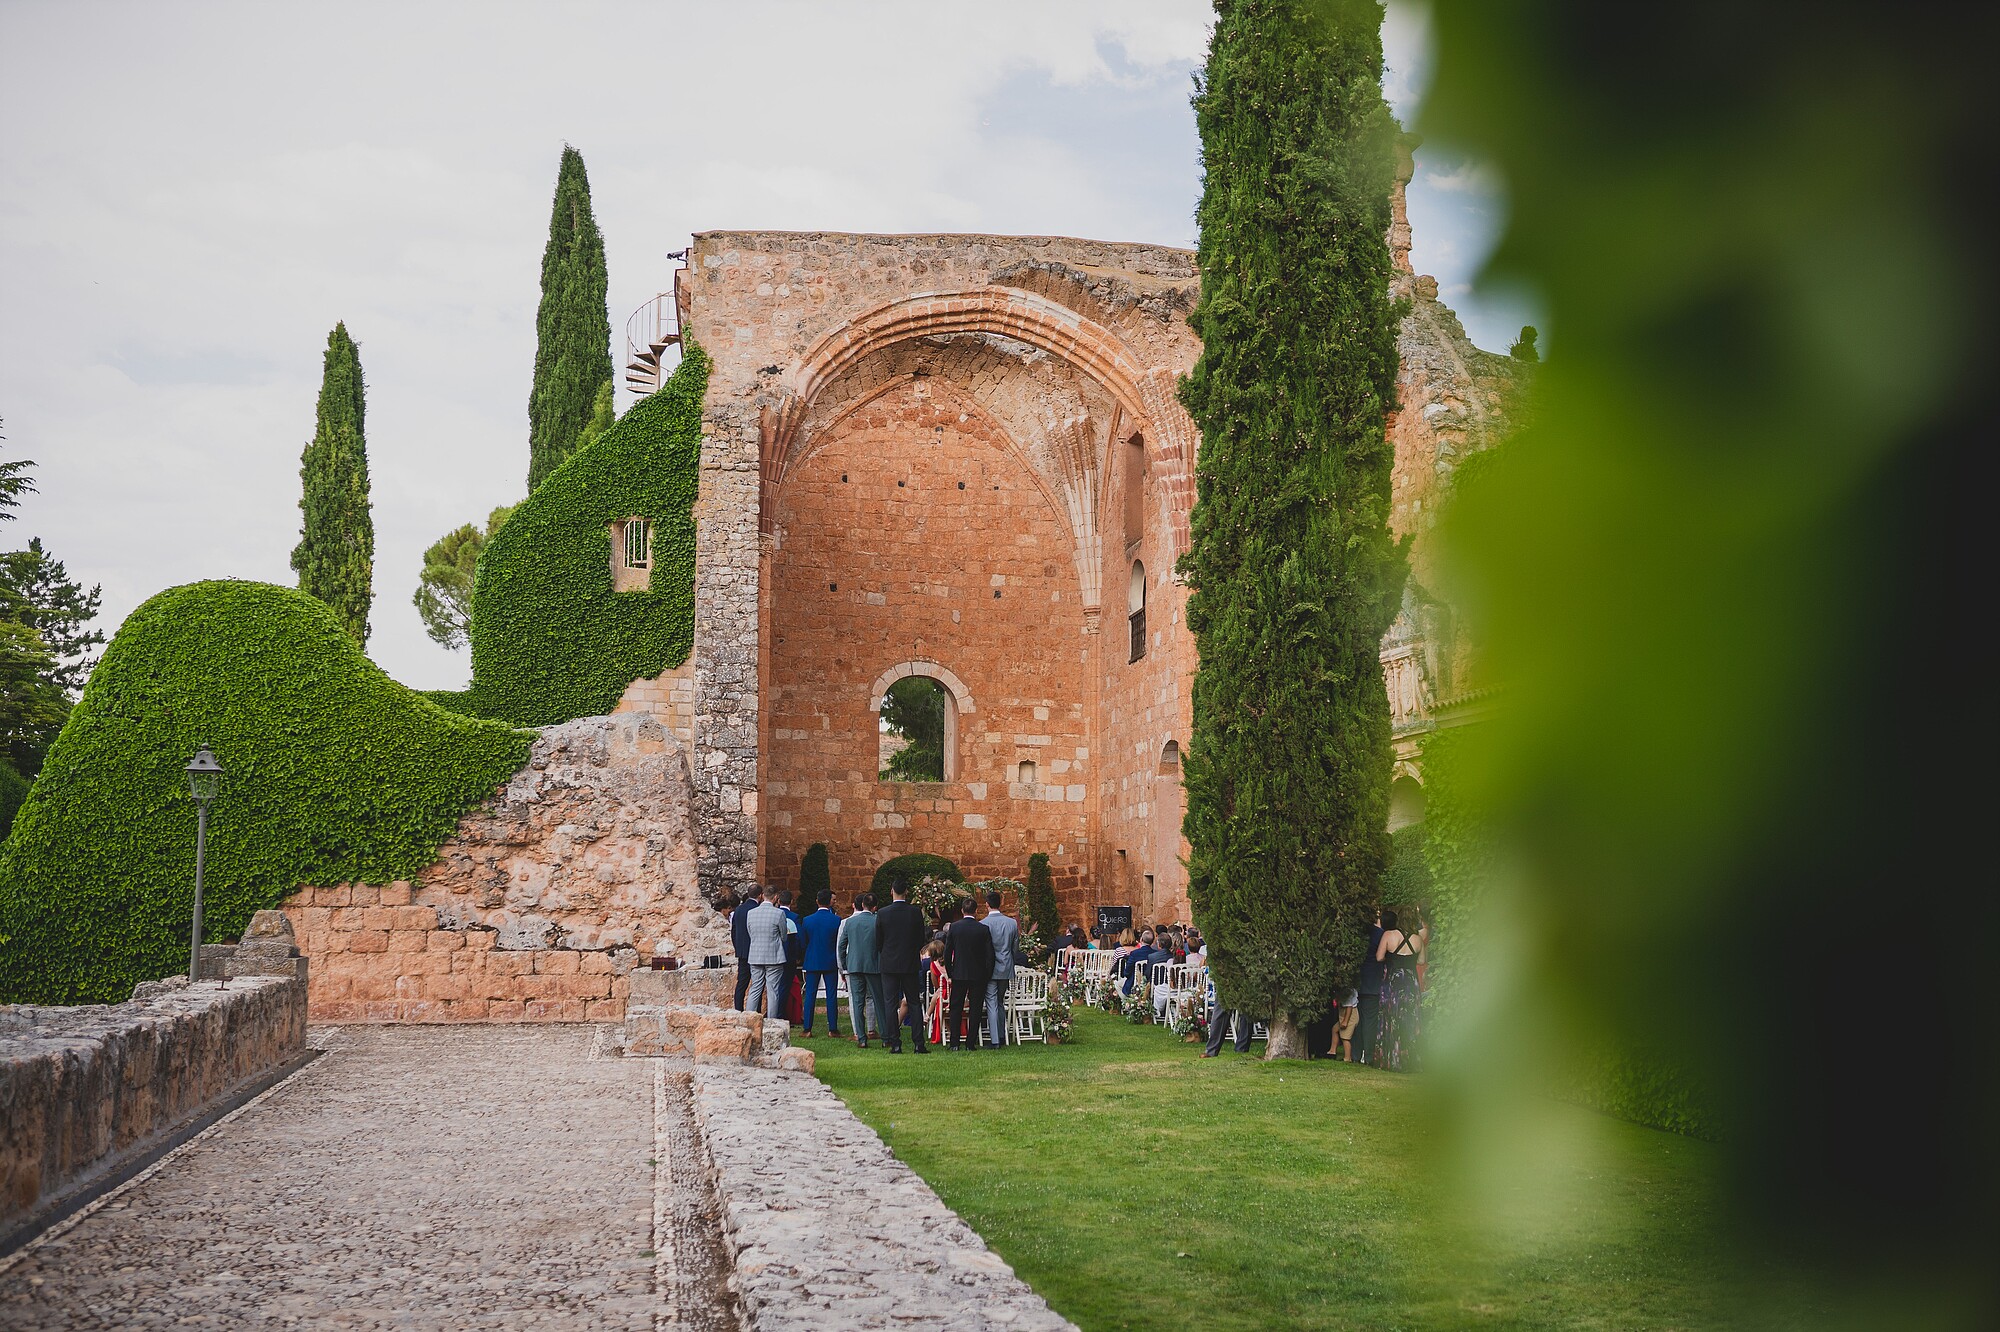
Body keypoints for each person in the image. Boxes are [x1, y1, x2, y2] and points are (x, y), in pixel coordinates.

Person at [873, 878, 930, 1054]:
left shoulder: (883, 913)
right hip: (909, 962)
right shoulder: (914, 912)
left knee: (890, 1003)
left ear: (892, 891)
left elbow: (878, 940)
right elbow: (921, 938)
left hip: (889, 963)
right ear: (906, 892)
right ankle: (918, 1043)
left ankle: (895, 1042)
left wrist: (888, 952)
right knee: (913, 1002)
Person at [1375, 907, 1428, 1071]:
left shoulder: (1389, 935)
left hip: (1393, 981)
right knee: (1411, 1019)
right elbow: (1421, 961)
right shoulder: (1418, 939)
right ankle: (1410, 1059)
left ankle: (1392, 1059)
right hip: (1411, 983)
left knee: (1392, 1017)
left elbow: (1379, 957)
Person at [942, 900, 995, 1050]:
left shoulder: (955, 927)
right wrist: (987, 973)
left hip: (959, 973)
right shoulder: (983, 929)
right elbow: (989, 955)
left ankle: (954, 1043)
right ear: (976, 911)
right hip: (978, 975)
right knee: (975, 1008)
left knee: (956, 1008)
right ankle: (970, 1043)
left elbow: (947, 952)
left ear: (962, 911)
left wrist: (950, 972)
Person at [980, 889, 1026, 1050]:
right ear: (1001, 904)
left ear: (986, 905)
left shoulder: (983, 924)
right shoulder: (1011, 923)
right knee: (1000, 1001)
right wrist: (1010, 960)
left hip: (990, 968)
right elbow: (1015, 947)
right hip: (1006, 966)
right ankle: (1000, 1034)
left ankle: (995, 1040)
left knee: (992, 1002)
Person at [838, 892, 883, 1047]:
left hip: (854, 966)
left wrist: (845, 965)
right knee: (878, 1001)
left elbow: (841, 946)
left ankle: (861, 1038)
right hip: (874, 966)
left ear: (862, 905)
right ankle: (885, 1037)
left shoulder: (850, 922)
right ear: (875, 907)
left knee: (857, 1003)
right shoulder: (878, 921)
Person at [798, 888, 842, 1037]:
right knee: (831, 994)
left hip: (812, 959)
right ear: (830, 902)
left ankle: (807, 1028)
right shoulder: (836, 920)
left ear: (817, 901)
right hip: (830, 960)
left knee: (810, 994)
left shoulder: (807, 920)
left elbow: (803, 942)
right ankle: (833, 1028)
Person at [743, 886, 790, 1018]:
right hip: (773, 956)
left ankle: (749, 1018)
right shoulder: (779, 913)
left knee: (755, 988)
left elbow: (750, 933)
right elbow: (784, 936)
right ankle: (772, 1020)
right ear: (775, 897)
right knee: (773, 990)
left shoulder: (751, 913)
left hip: (756, 955)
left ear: (763, 895)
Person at [1355, 910, 1386, 1066]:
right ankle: (1368, 1056)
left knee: (1355, 1020)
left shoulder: (1355, 932)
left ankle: (1354, 1053)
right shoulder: (1380, 934)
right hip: (1373, 981)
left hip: (1356, 980)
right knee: (1370, 1021)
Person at [777, 889, 804, 1022]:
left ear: (778, 901)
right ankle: (781, 1014)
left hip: (774, 955)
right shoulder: (794, 917)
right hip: (789, 956)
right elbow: (799, 938)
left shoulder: (775, 914)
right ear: (791, 902)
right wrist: (798, 954)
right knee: (785, 986)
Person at [729, 888, 757, 1011]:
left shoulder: (738, 910)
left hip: (742, 952)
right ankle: (756, 1011)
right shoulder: (757, 910)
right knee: (757, 984)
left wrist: (738, 947)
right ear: (760, 895)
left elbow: (733, 932)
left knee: (741, 984)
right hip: (756, 951)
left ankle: (738, 1009)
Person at [1335, 988, 1360, 1062]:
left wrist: (1345, 1021)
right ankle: (1332, 1051)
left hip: (1349, 1016)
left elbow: (1349, 1007)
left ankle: (1347, 1058)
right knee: (1335, 1029)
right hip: (1345, 1014)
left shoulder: (1347, 992)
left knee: (1345, 1038)